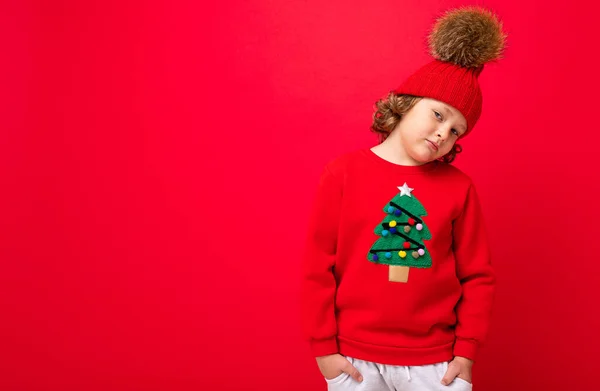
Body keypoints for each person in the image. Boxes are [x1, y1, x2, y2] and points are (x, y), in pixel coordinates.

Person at [300, 6, 507, 391]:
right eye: (438, 114)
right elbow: (317, 268)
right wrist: (324, 350)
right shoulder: (342, 174)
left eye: (457, 131)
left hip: (436, 360)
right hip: (354, 358)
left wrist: (466, 352)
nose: (444, 133)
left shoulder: (459, 188)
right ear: (407, 102)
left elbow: (478, 275)